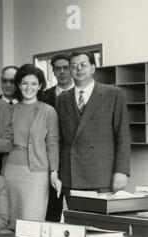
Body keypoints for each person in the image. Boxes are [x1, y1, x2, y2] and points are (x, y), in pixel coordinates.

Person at [57, 51, 130, 198]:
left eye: (83, 65)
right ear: (70, 70)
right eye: (74, 66)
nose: (79, 69)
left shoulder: (114, 94)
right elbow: (59, 139)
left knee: (100, 220)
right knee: (74, 219)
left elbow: (123, 135)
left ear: (93, 68)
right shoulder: (62, 98)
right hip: (71, 175)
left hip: (102, 175)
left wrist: (121, 171)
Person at [3, 64, 61, 229]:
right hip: (11, 172)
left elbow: (52, 143)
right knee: (10, 222)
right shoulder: (10, 110)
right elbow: (4, 139)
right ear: (19, 85)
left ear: (40, 86)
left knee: (32, 224)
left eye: (34, 84)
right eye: (25, 83)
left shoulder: (48, 111)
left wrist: (54, 173)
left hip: (37, 174)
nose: (29, 87)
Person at [42, 53, 74, 222]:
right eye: (58, 68)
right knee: (52, 209)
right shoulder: (44, 96)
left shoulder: (81, 95)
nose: (62, 71)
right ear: (53, 71)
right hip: (49, 160)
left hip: (74, 160)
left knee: (76, 209)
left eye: (66, 67)